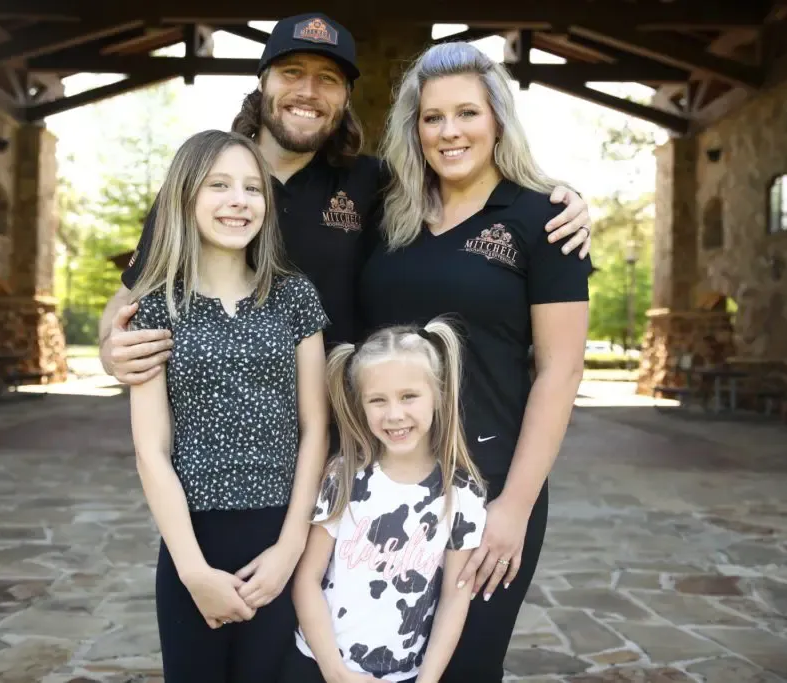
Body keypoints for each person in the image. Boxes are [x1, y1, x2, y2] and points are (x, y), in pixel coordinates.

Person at [97, 12, 594, 389]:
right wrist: (110, 348)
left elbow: (472, 184)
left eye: (329, 79)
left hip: (343, 435)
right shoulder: (203, 183)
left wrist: (560, 197)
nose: (308, 91)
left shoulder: (378, 185)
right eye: (291, 72)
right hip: (220, 434)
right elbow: (133, 291)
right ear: (262, 80)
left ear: (346, 97)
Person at [357, 42, 591, 682]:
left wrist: (514, 506)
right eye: (432, 117)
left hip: (488, 487)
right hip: (381, 484)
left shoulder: (543, 219)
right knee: (370, 661)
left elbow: (561, 370)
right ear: (415, 128)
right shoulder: (388, 213)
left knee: (462, 666)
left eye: (467, 113)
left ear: (497, 120)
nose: (449, 131)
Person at [126, 129, 330, 683]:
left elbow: (315, 428)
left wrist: (291, 548)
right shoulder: (158, 305)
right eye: (219, 185)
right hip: (193, 538)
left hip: (279, 535)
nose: (239, 200)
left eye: (252, 188)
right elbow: (151, 448)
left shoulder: (294, 297)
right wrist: (194, 572)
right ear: (186, 197)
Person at [281, 319, 488, 683]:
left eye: (409, 396)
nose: (394, 414)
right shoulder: (343, 477)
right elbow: (307, 579)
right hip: (319, 667)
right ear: (360, 405)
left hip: (404, 676)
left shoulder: (461, 493)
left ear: (438, 395)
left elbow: (455, 599)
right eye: (378, 400)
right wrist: (335, 672)